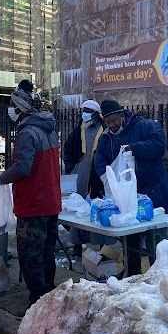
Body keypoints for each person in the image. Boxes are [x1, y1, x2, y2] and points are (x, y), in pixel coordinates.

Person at [94, 99, 168, 277]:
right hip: (127, 195)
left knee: (155, 236)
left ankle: (160, 274)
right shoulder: (106, 138)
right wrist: (105, 176)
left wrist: (134, 148)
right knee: (130, 237)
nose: (112, 125)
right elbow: (100, 157)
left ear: (122, 115)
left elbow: (158, 145)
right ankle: (132, 274)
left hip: (152, 191)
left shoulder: (145, 126)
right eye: (108, 122)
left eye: (115, 120)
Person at [0, 88, 62, 304]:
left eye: (12, 105)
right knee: (47, 253)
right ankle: (49, 296)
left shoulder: (27, 133)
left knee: (30, 256)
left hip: (34, 205)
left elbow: (22, 168)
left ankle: (38, 301)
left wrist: (3, 177)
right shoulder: (49, 130)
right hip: (51, 203)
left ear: (20, 108)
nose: (10, 110)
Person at [63, 100, 106, 254]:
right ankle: (77, 245)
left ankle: (102, 246)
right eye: (83, 110)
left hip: (97, 175)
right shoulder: (78, 129)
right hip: (81, 174)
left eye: (88, 111)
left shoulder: (104, 129)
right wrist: (71, 167)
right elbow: (68, 149)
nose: (84, 114)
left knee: (99, 208)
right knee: (78, 208)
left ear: (95, 113)